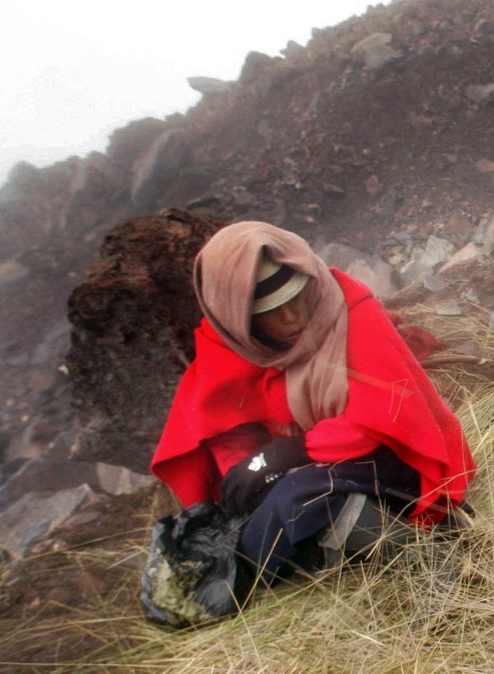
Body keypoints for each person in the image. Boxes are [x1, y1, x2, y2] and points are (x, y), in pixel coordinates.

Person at [150, 221, 476, 599]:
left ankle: (430, 565)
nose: (292, 318)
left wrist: (287, 454)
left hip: (397, 457)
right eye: (270, 310)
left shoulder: (350, 313)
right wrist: (252, 470)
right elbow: (228, 431)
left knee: (299, 496)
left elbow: (379, 421)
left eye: (296, 296)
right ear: (237, 319)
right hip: (311, 469)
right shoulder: (225, 347)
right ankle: (332, 541)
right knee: (260, 525)